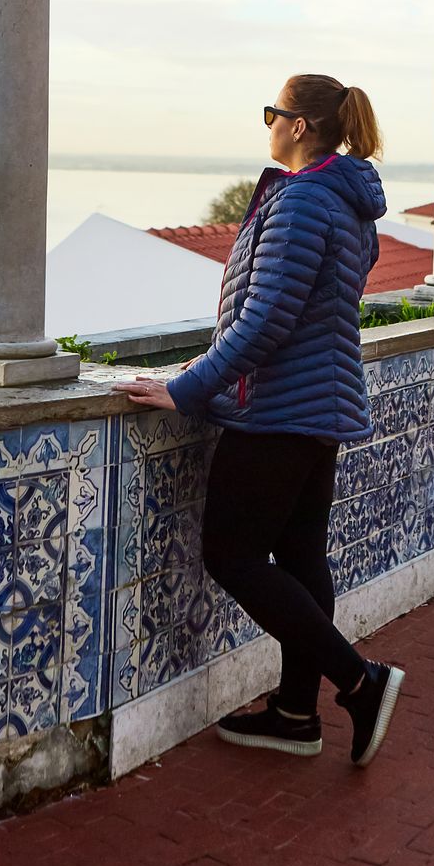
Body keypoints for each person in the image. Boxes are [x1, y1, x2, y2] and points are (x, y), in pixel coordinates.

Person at [116, 74, 404, 767]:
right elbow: (299, 311)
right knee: (302, 560)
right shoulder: (347, 201)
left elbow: (267, 320)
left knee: (233, 554)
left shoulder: (305, 199)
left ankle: (361, 683)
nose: (268, 123)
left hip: (278, 409)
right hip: (321, 406)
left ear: (300, 125)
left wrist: (187, 387)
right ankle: (296, 713)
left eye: (273, 112)